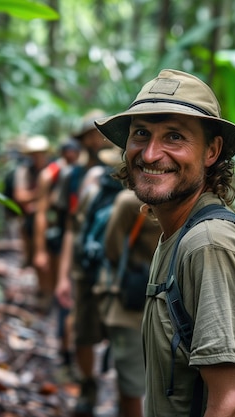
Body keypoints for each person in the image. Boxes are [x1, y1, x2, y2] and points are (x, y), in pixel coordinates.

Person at [94, 69, 235, 417]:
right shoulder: (178, 235)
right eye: (141, 134)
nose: (150, 154)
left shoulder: (211, 245)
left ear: (212, 151)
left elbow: (234, 406)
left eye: (174, 137)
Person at [54, 109, 115, 417]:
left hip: (121, 267)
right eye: (93, 133)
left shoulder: (127, 167)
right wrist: (63, 275)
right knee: (83, 329)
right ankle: (89, 387)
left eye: (103, 132)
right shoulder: (74, 175)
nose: (98, 138)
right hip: (85, 264)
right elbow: (70, 227)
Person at [94, 149, 160, 417]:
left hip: (137, 298)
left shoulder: (127, 201)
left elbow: (112, 249)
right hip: (138, 300)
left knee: (132, 378)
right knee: (134, 378)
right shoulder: (130, 203)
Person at [33, 138, 82, 312]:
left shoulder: (83, 170)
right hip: (58, 228)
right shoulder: (49, 175)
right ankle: (50, 302)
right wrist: (40, 250)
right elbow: (41, 213)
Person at [12, 134, 50, 269]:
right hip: (29, 218)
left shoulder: (52, 170)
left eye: (40, 154)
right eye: (34, 154)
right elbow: (20, 196)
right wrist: (40, 194)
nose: (38, 157)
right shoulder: (24, 171)